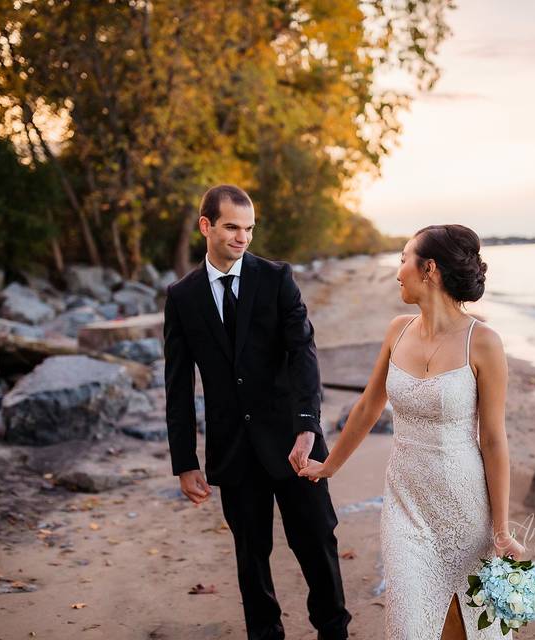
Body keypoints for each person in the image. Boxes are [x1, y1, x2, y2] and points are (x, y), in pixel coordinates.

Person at [299, 224, 525, 639]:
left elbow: (493, 439)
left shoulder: (485, 342)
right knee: (409, 626)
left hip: (464, 504)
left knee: (468, 627)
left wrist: (502, 529)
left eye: (404, 259)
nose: (398, 270)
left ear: (430, 270)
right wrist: (329, 466)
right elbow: (369, 405)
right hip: (406, 503)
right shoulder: (397, 329)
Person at [162, 184, 351, 640]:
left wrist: (307, 427)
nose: (242, 237)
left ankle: (334, 631)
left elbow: (303, 352)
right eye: (231, 227)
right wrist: (185, 461)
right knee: (251, 554)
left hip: (294, 442)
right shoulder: (182, 297)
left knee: (316, 543)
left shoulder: (277, 278)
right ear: (206, 226)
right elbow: (178, 384)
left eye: (248, 229)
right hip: (234, 448)